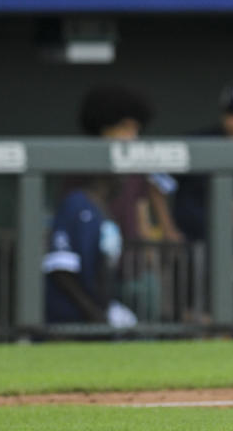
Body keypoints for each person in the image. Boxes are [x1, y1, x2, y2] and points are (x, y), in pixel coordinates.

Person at [78, 85, 182, 244]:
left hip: (129, 256)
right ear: (104, 126)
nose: (132, 135)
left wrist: (149, 254)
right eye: (124, 127)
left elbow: (142, 215)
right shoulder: (80, 165)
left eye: (136, 129)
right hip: (93, 249)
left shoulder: (137, 167)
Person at [172, 82, 233, 242]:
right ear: (223, 116)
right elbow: (158, 182)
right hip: (194, 240)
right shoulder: (198, 144)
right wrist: (169, 230)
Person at [43, 175, 137, 328]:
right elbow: (60, 270)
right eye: (119, 176)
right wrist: (92, 311)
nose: (123, 181)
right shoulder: (75, 204)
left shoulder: (103, 209)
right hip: (67, 317)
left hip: (94, 311)